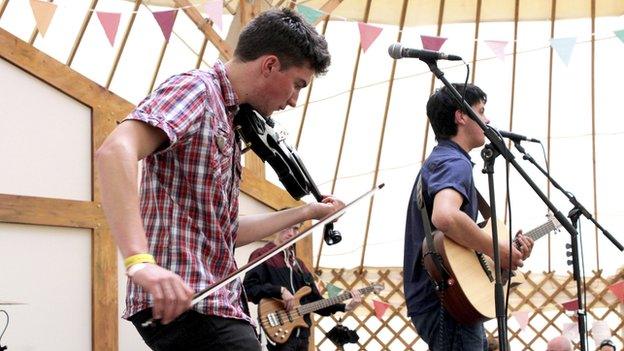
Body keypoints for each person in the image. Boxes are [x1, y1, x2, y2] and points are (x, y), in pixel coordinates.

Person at [95, 8, 343, 351]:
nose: (294, 100)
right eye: (297, 84)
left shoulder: (230, 120)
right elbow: (114, 151)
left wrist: (306, 212)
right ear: (270, 65)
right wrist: (139, 262)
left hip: (216, 301)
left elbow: (224, 232)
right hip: (190, 301)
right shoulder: (197, 89)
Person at [403, 83, 535, 350]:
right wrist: (498, 250)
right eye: (481, 111)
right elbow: (446, 217)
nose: (487, 120)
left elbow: (457, 243)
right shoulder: (454, 162)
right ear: (461, 116)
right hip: (448, 304)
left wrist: (503, 256)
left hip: (448, 301)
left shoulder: (442, 160)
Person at [243, 222, 362, 351]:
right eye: (287, 227)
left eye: (295, 229)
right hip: (276, 332)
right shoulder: (262, 255)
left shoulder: (300, 265)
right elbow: (249, 289)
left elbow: (316, 301)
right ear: (277, 227)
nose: (291, 233)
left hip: (302, 338)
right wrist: (279, 290)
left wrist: (345, 307)